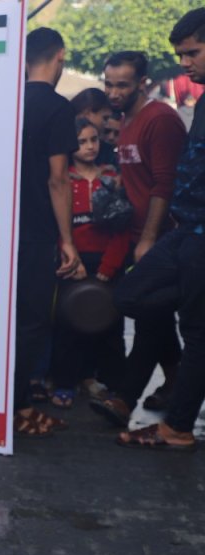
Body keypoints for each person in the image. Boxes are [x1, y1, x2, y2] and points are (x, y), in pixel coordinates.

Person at [115, 8, 205, 453]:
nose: (186, 64)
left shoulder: (161, 118)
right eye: (181, 55)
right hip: (185, 232)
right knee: (133, 296)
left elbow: (166, 178)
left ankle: (178, 428)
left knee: (197, 329)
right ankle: (180, 374)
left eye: (193, 52)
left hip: (196, 236)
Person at [91, 50, 188, 427]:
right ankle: (176, 381)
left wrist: (150, 238)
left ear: (142, 84)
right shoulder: (126, 120)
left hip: (160, 237)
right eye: (109, 84)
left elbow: (166, 183)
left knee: (148, 317)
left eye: (122, 86)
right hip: (130, 234)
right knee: (156, 316)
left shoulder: (160, 120)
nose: (113, 93)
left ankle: (124, 399)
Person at [15, 27, 82, 437]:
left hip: (0, 230)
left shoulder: (7, 102)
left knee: (4, 321)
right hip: (37, 232)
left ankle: (10, 405)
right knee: (32, 322)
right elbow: (59, 179)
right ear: (59, 57)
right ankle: (19, 407)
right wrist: (68, 241)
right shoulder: (58, 108)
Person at [48, 117, 128, 409]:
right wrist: (72, 260)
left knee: (110, 328)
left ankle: (114, 386)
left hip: (107, 264)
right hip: (74, 263)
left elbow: (121, 228)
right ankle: (66, 382)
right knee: (69, 326)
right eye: (82, 141)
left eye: (94, 140)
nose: (90, 146)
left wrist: (110, 266)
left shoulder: (112, 178)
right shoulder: (62, 180)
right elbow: (59, 228)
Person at [71, 87, 119, 166]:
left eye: (93, 140)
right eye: (105, 118)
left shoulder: (106, 151)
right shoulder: (61, 147)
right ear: (87, 112)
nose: (105, 124)